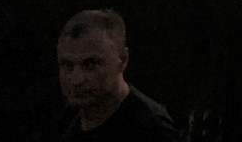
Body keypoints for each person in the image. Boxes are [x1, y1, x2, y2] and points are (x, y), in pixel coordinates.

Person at [56, 9, 178, 140]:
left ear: (122, 60)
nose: (76, 80)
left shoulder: (149, 128)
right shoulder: (68, 119)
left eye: (90, 65)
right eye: (67, 65)